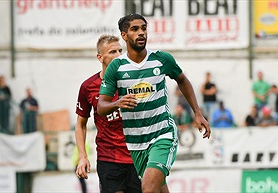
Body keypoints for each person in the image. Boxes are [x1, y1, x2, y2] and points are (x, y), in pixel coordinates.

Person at [97, 14, 211, 193]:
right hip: (135, 141)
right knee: (158, 188)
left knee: (148, 188)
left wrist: (197, 112)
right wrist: (117, 103)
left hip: (162, 133)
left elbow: (182, 80)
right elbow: (101, 107)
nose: (141, 33)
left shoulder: (161, 59)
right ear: (124, 35)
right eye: (135, 29)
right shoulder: (117, 67)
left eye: (143, 28)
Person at [74, 35, 141, 193]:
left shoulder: (134, 81)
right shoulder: (88, 86)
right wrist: (82, 156)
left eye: (120, 50)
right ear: (100, 57)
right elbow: (80, 125)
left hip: (137, 156)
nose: (118, 55)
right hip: (109, 158)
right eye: (112, 52)